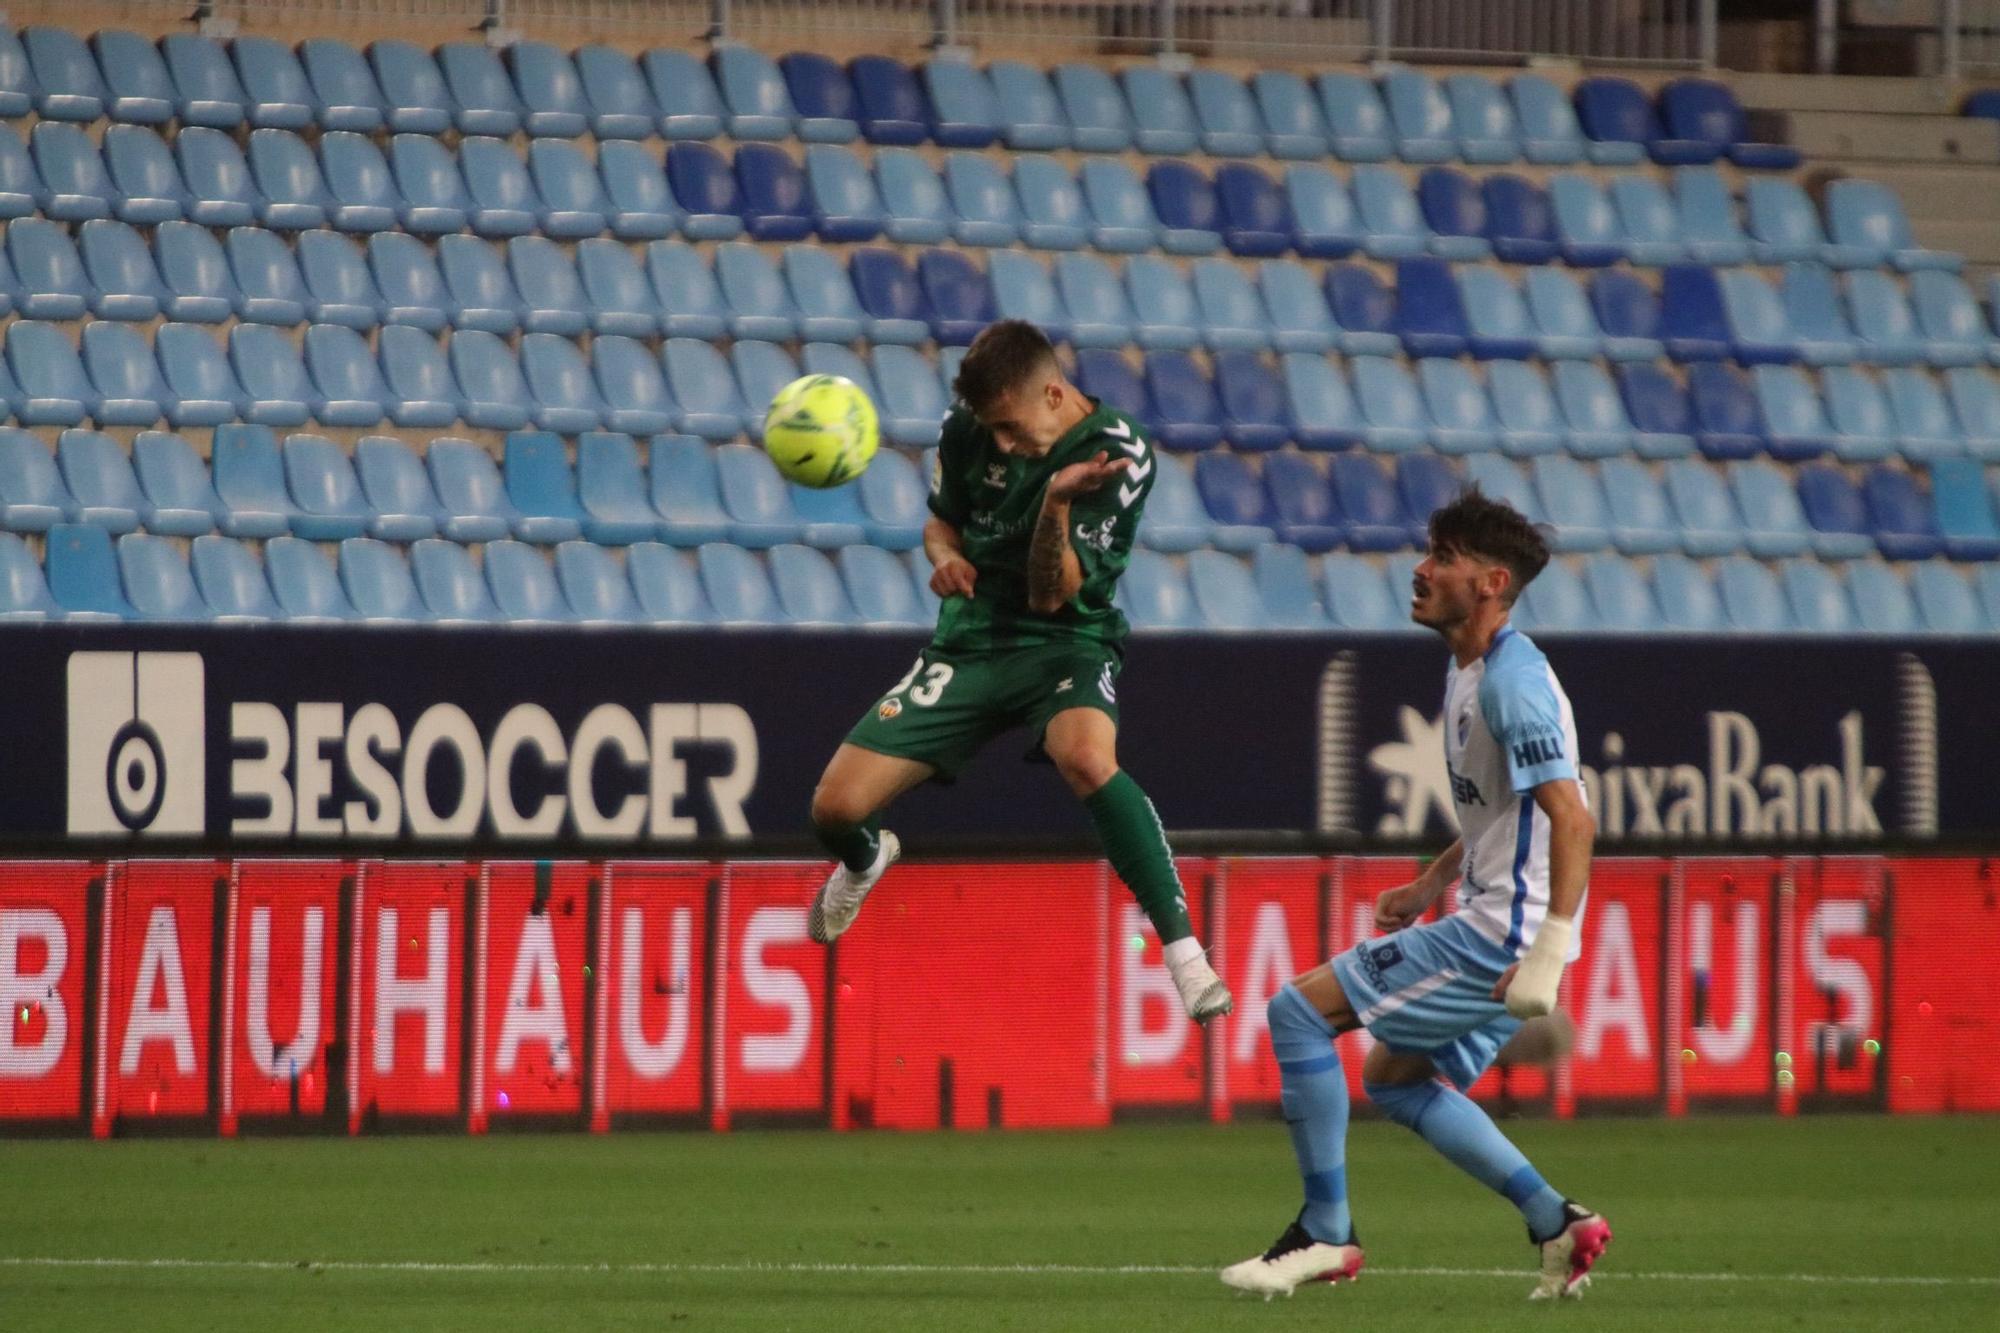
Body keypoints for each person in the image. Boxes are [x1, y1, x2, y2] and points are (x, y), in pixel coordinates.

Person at [1221, 490, 1609, 1301]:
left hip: (1501, 936)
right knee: (1396, 1077)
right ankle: (1555, 1219)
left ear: (1492, 581)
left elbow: (1572, 818)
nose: (1422, 569)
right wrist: (1434, 880)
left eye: (1445, 558)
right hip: (1492, 919)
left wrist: (1551, 951)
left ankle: (1326, 1231)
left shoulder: (1513, 685)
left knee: (1297, 1013)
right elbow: (1504, 810)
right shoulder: (1475, 669)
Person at [804, 320, 1232, 1024]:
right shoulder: (968, 428)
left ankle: (1185, 953)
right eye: (989, 429)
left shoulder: (1117, 454)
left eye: (1009, 428)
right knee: (835, 810)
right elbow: (941, 522)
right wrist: (942, 554)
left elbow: (1052, 594)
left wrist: (1058, 500)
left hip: (1065, 640)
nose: (999, 443)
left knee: (1088, 757)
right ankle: (865, 859)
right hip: (971, 641)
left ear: (1055, 395)